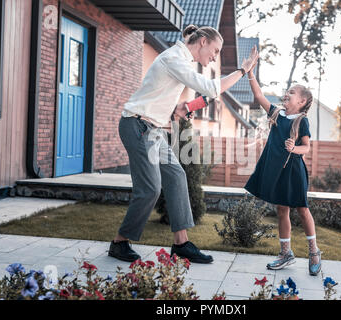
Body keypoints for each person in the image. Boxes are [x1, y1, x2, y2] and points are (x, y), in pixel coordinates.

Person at [108, 25, 259, 264]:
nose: (215, 56)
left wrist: (179, 109)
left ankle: (181, 244)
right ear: (202, 42)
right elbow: (211, 87)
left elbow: (161, 95)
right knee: (149, 188)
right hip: (136, 126)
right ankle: (119, 242)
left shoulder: (181, 61)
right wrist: (243, 69)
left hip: (152, 129)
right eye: (215, 50)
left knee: (177, 176)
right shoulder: (173, 58)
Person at [244, 67, 322, 275]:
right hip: (276, 170)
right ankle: (286, 254)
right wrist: (250, 71)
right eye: (288, 91)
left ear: (302, 101)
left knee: (303, 210)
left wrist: (293, 148)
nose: (287, 94)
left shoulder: (301, 121)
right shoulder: (277, 114)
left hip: (294, 172)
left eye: (293, 92)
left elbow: (306, 147)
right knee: (281, 210)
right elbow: (259, 95)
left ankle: (314, 251)